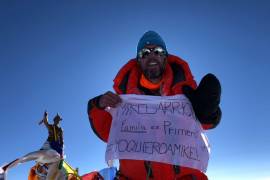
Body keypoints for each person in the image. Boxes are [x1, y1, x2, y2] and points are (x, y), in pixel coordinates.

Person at [87, 31, 222, 180]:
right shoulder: (123, 101)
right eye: (144, 53)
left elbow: (204, 124)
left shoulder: (186, 93)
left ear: (165, 57)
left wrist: (209, 112)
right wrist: (97, 105)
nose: (151, 55)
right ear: (138, 61)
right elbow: (107, 132)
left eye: (158, 51)